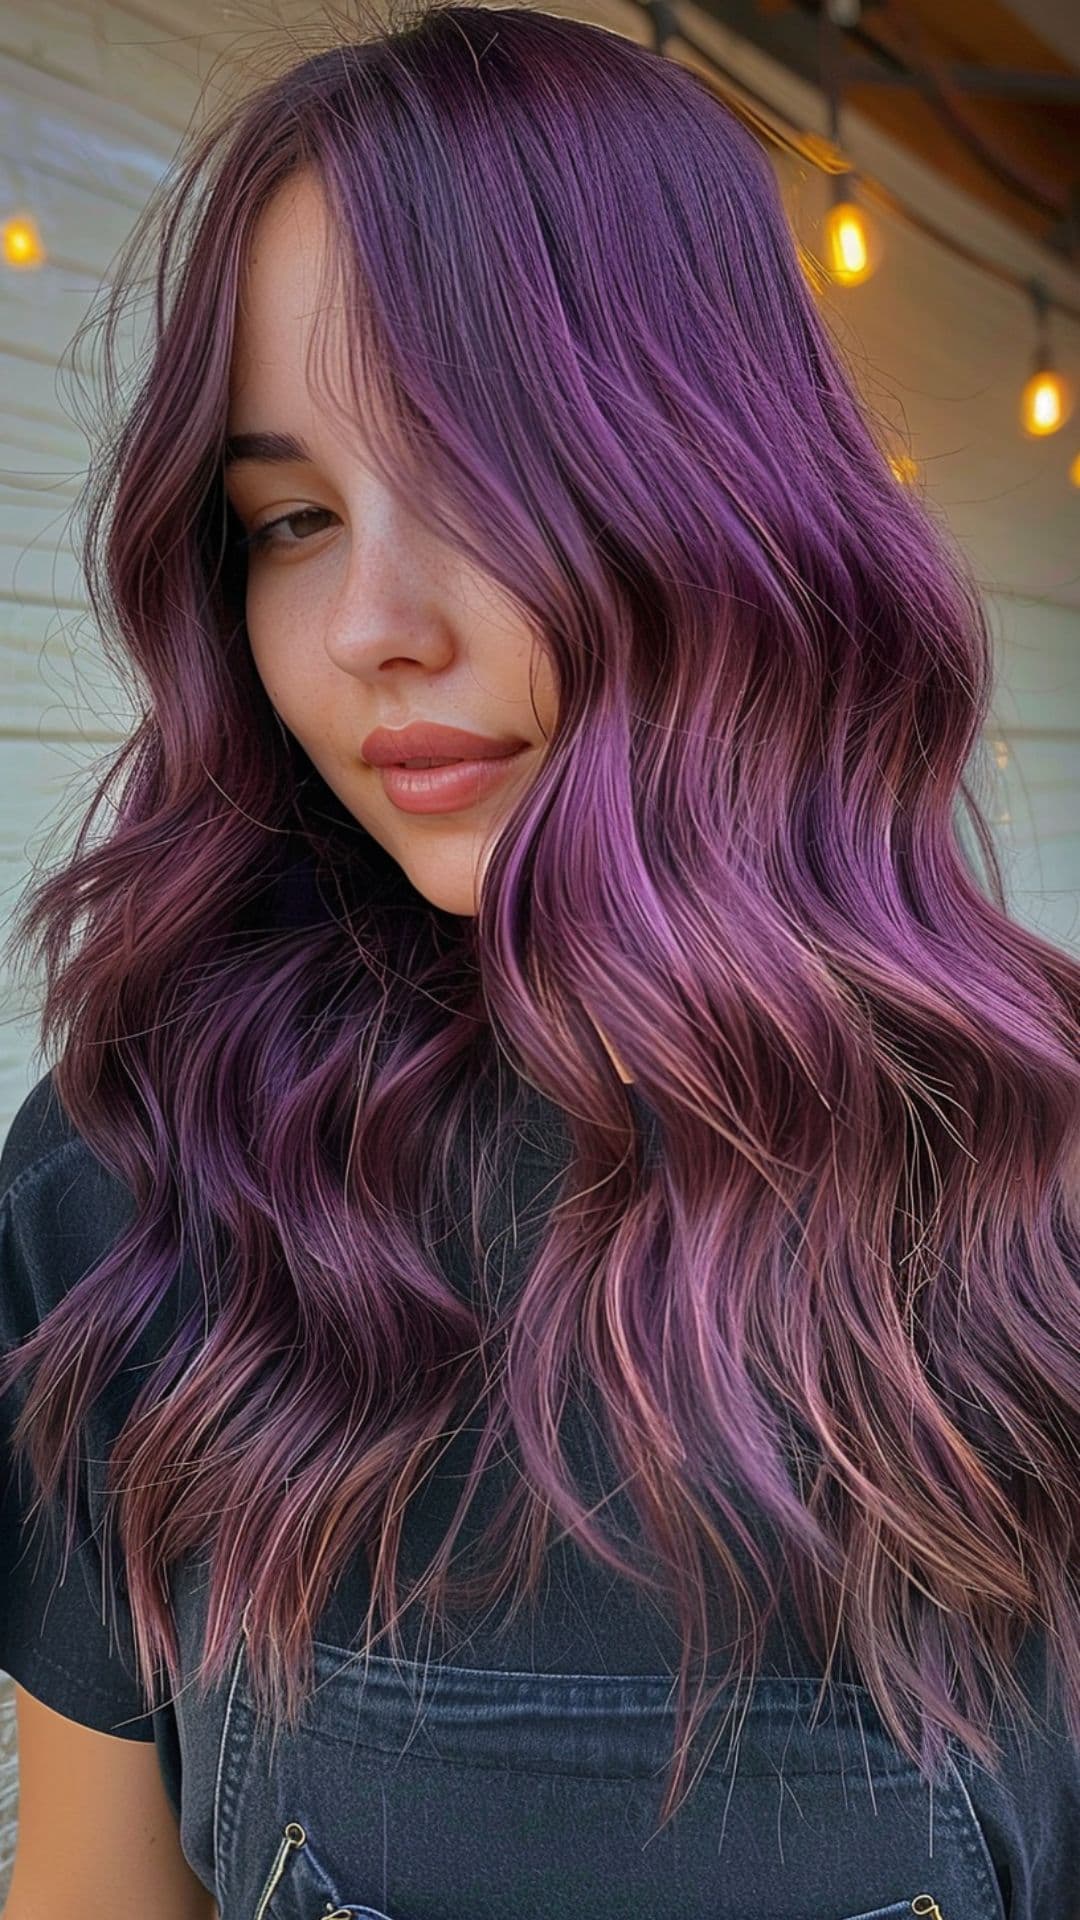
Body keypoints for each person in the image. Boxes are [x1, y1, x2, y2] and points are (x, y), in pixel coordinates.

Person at [1, 5, 1078, 1916]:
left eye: (483, 482)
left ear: (728, 494)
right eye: (290, 520)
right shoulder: (139, 1180)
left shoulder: (1035, 1197)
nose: (369, 630)